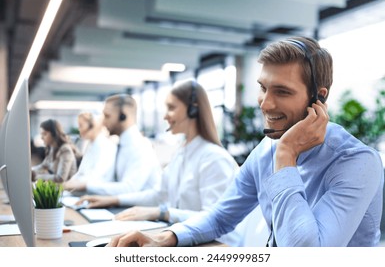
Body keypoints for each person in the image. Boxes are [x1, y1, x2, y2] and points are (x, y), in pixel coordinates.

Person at [106, 36, 384, 247]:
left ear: (318, 98)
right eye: (263, 88)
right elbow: (221, 216)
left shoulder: (357, 163)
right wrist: (167, 238)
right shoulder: (267, 150)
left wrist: (286, 154)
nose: (266, 104)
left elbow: (305, 254)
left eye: (282, 91)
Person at [78, 81, 239, 238]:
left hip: (217, 246)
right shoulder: (182, 153)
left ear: (193, 109)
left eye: (171, 108)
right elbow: (159, 195)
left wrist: (162, 212)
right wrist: (111, 200)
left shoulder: (214, 158)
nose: (164, 116)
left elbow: (213, 218)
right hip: (186, 237)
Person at [64, 94, 161, 195]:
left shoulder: (141, 146)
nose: (103, 123)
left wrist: (85, 186)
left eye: (107, 116)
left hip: (143, 209)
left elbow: (129, 188)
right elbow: (109, 181)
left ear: (123, 116)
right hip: (125, 207)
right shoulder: (120, 145)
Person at [63, 111, 117, 191]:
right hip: (84, 190)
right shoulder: (91, 144)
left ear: (92, 125)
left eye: (81, 125)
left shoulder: (104, 145)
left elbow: (97, 177)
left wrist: (68, 185)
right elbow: (81, 172)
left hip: (96, 193)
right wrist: (67, 184)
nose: (79, 129)